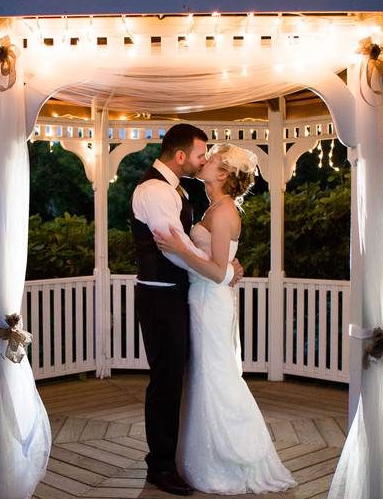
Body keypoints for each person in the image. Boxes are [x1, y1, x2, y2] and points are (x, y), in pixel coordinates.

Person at [154, 143, 297, 495]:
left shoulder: (222, 212)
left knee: (216, 375)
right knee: (204, 374)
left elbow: (217, 272)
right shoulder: (215, 208)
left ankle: (236, 456)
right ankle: (204, 456)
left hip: (210, 302)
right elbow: (223, 265)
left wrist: (180, 250)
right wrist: (224, 264)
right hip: (203, 299)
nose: (204, 161)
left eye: (212, 159)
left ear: (222, 174)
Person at [130, 124, 244, 495]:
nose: (203, 160)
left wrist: (221, 266)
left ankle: (178, 457)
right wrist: (223, 270)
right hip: (161, 295)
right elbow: (173, 247)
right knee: (165, 382)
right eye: (200, 154)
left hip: (180, 295)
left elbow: (187, 248)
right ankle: (160, 467)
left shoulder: (175, 189)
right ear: (181, 156)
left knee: (179, 379)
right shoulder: (154, 190)